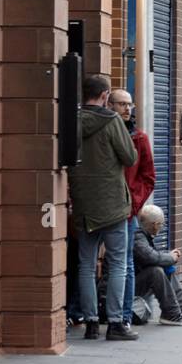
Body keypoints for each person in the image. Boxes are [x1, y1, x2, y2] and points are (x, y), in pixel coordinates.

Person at [68, 74, 139, 341]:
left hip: (84, 203)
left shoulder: (71, 121)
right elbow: (130, 157)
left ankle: (90, 323)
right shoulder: (112, 122)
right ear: (105, 95)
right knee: (118, 263)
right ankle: (116, 323)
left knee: (86, 265)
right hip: (112, 205)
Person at [109, 88, 154, 326]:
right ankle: (83, 313)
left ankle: (124, 317)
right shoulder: (103, 134)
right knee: (87, 263)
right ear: (110, 105)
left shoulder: (139, 138)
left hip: (127, 211)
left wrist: (134, 204)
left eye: (130, 104)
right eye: (121, 104)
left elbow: (148, 177)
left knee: (124, 262)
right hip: (102, 206)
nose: (127, 109)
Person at [132, 205, 182, 325]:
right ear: (155, 224)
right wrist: (170, 257)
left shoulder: (141, 235)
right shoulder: (137, 236)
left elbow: (150, 256)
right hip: (123, 290)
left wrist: (168, 258)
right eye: (161, 224)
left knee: (165, 268)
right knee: (156, 271)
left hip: (131, 284)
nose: (161, 227)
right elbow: (151, 257)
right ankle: (172, 314)